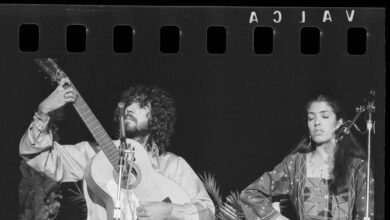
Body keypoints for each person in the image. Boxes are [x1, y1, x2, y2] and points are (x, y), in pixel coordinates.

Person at [19, 78, 215, 220]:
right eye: (128, 103)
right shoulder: (96, 155)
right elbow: (38, 157)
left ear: (157, 119)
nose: (130, 108)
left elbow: (207, 210)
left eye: (141, 105)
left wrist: (171, 210)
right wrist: (43, 112)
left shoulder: (172, 165)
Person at [239, 95, 374, 220]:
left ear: (339, 123)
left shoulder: (358, 168)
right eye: (311, 118)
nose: (317, 123)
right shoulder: (294, 164)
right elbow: (250, 195)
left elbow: (365, 215)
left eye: (325, 116)